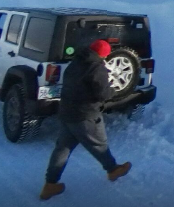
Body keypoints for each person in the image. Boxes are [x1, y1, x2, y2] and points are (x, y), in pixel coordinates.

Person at [40, 38, 132, 200]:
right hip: (85, 116)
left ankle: (50, 184)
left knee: (62, 149)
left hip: (67, 113)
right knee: (99, 145)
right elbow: (103, 94)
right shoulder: (96, 68)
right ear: (103, 55)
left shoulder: (75, 63)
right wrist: (114, 90)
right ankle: (113, 170)